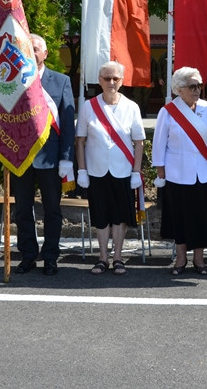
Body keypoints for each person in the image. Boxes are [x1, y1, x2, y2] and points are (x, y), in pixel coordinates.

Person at [11, 33, 75, 276]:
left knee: (52, 210)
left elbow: (68, 122)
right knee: (22, 210)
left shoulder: (61, 81)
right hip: (22, 156)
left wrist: (67, 158)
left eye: (37, 49)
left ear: (46, 54)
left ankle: (50, 256)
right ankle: (28, 255)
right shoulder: (14, 81)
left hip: (51, 157)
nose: (34, 52)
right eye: (29, 49)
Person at [75, 61, 146, 275]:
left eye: (115, 78)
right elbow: (80, 140)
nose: (111, 82)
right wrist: (82, 170)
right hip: (96, 171)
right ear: (100, 81)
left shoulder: (131, 107)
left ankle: (118, 257)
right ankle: (102, 257)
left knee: (120, 215)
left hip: (123, 170)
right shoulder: (89, 107)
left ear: (122, 81)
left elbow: (139, 142)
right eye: (107, 78)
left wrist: (136, 171)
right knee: (101, 214)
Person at [152, 66, 207, 275]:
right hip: (177, 174)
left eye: (199, 86)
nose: (197, 90)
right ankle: (181, 259)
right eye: (192, 86)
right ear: (179, 89)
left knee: (202, 217)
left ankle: (199, 260)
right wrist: (160, 172)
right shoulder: (168, 112)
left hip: (204, 173)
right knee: (180, 218)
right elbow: (159, 144)